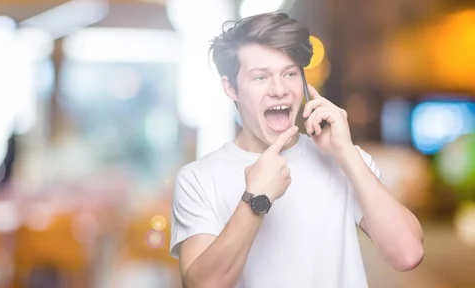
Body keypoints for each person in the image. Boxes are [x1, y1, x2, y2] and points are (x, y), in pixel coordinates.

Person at [169, 12, 424, 288]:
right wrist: (256, 199)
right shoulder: (197, 179)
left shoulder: (344, 160)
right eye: (260, 77)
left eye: (289, 73)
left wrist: (347, 153)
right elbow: (202, 285)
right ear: (230, 87)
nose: (279, 89)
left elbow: (408, 254)